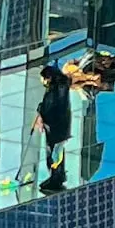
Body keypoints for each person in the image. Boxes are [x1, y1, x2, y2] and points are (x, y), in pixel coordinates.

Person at [35, 64, 72, 193]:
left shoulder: (56, 89)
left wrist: (42, 114)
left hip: (56, 128)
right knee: (57, 152)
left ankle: (56, 176)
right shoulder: (60, 86)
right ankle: (57, 175)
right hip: (60, 127)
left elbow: (50, 107)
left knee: (54, 154)